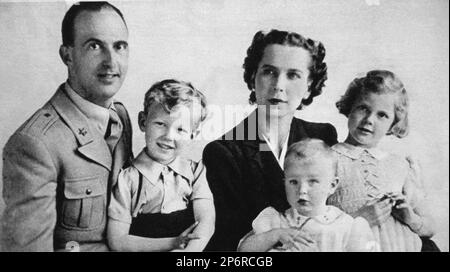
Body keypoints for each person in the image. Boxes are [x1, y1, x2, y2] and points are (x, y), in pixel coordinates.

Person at [1, 1, 133, 251]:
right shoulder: (35, 144)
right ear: (67, 55)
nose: (111, 61)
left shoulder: (121, 117)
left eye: (119, 46)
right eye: (94, 46)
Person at [203, 29, 338, 251]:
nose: (279, 85)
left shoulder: (323, 136)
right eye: (269, 72)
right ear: (252, 77)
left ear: (309, 85)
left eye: (293, 75)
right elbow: (225, 242)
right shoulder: (223, 153)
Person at [327, 70, 438, 251]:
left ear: (393, 123)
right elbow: (310, 223)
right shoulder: (326, 159)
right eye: (363, 108)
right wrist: (359, 219)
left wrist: (410, 217)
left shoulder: (399, 165)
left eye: (382, 115)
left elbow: (430, 226)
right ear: (349, 107)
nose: (369, 120)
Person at [107, 79, 215, 252]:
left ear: (193, 134)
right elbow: (117, 241)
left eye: (180, 130)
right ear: (143, 122)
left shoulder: (196, 172)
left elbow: (206, 221)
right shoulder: (127, 180)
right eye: (160, 124)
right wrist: (172, 244)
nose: (168, 136)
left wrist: (188, 254)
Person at [238, 139, 377, 252]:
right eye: (293, 182)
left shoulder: (345, 226)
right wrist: (275, 235)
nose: (302, 190)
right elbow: (243, 251)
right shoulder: (275, 220)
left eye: (313, 181)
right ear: (284, 183)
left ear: (332, 185)